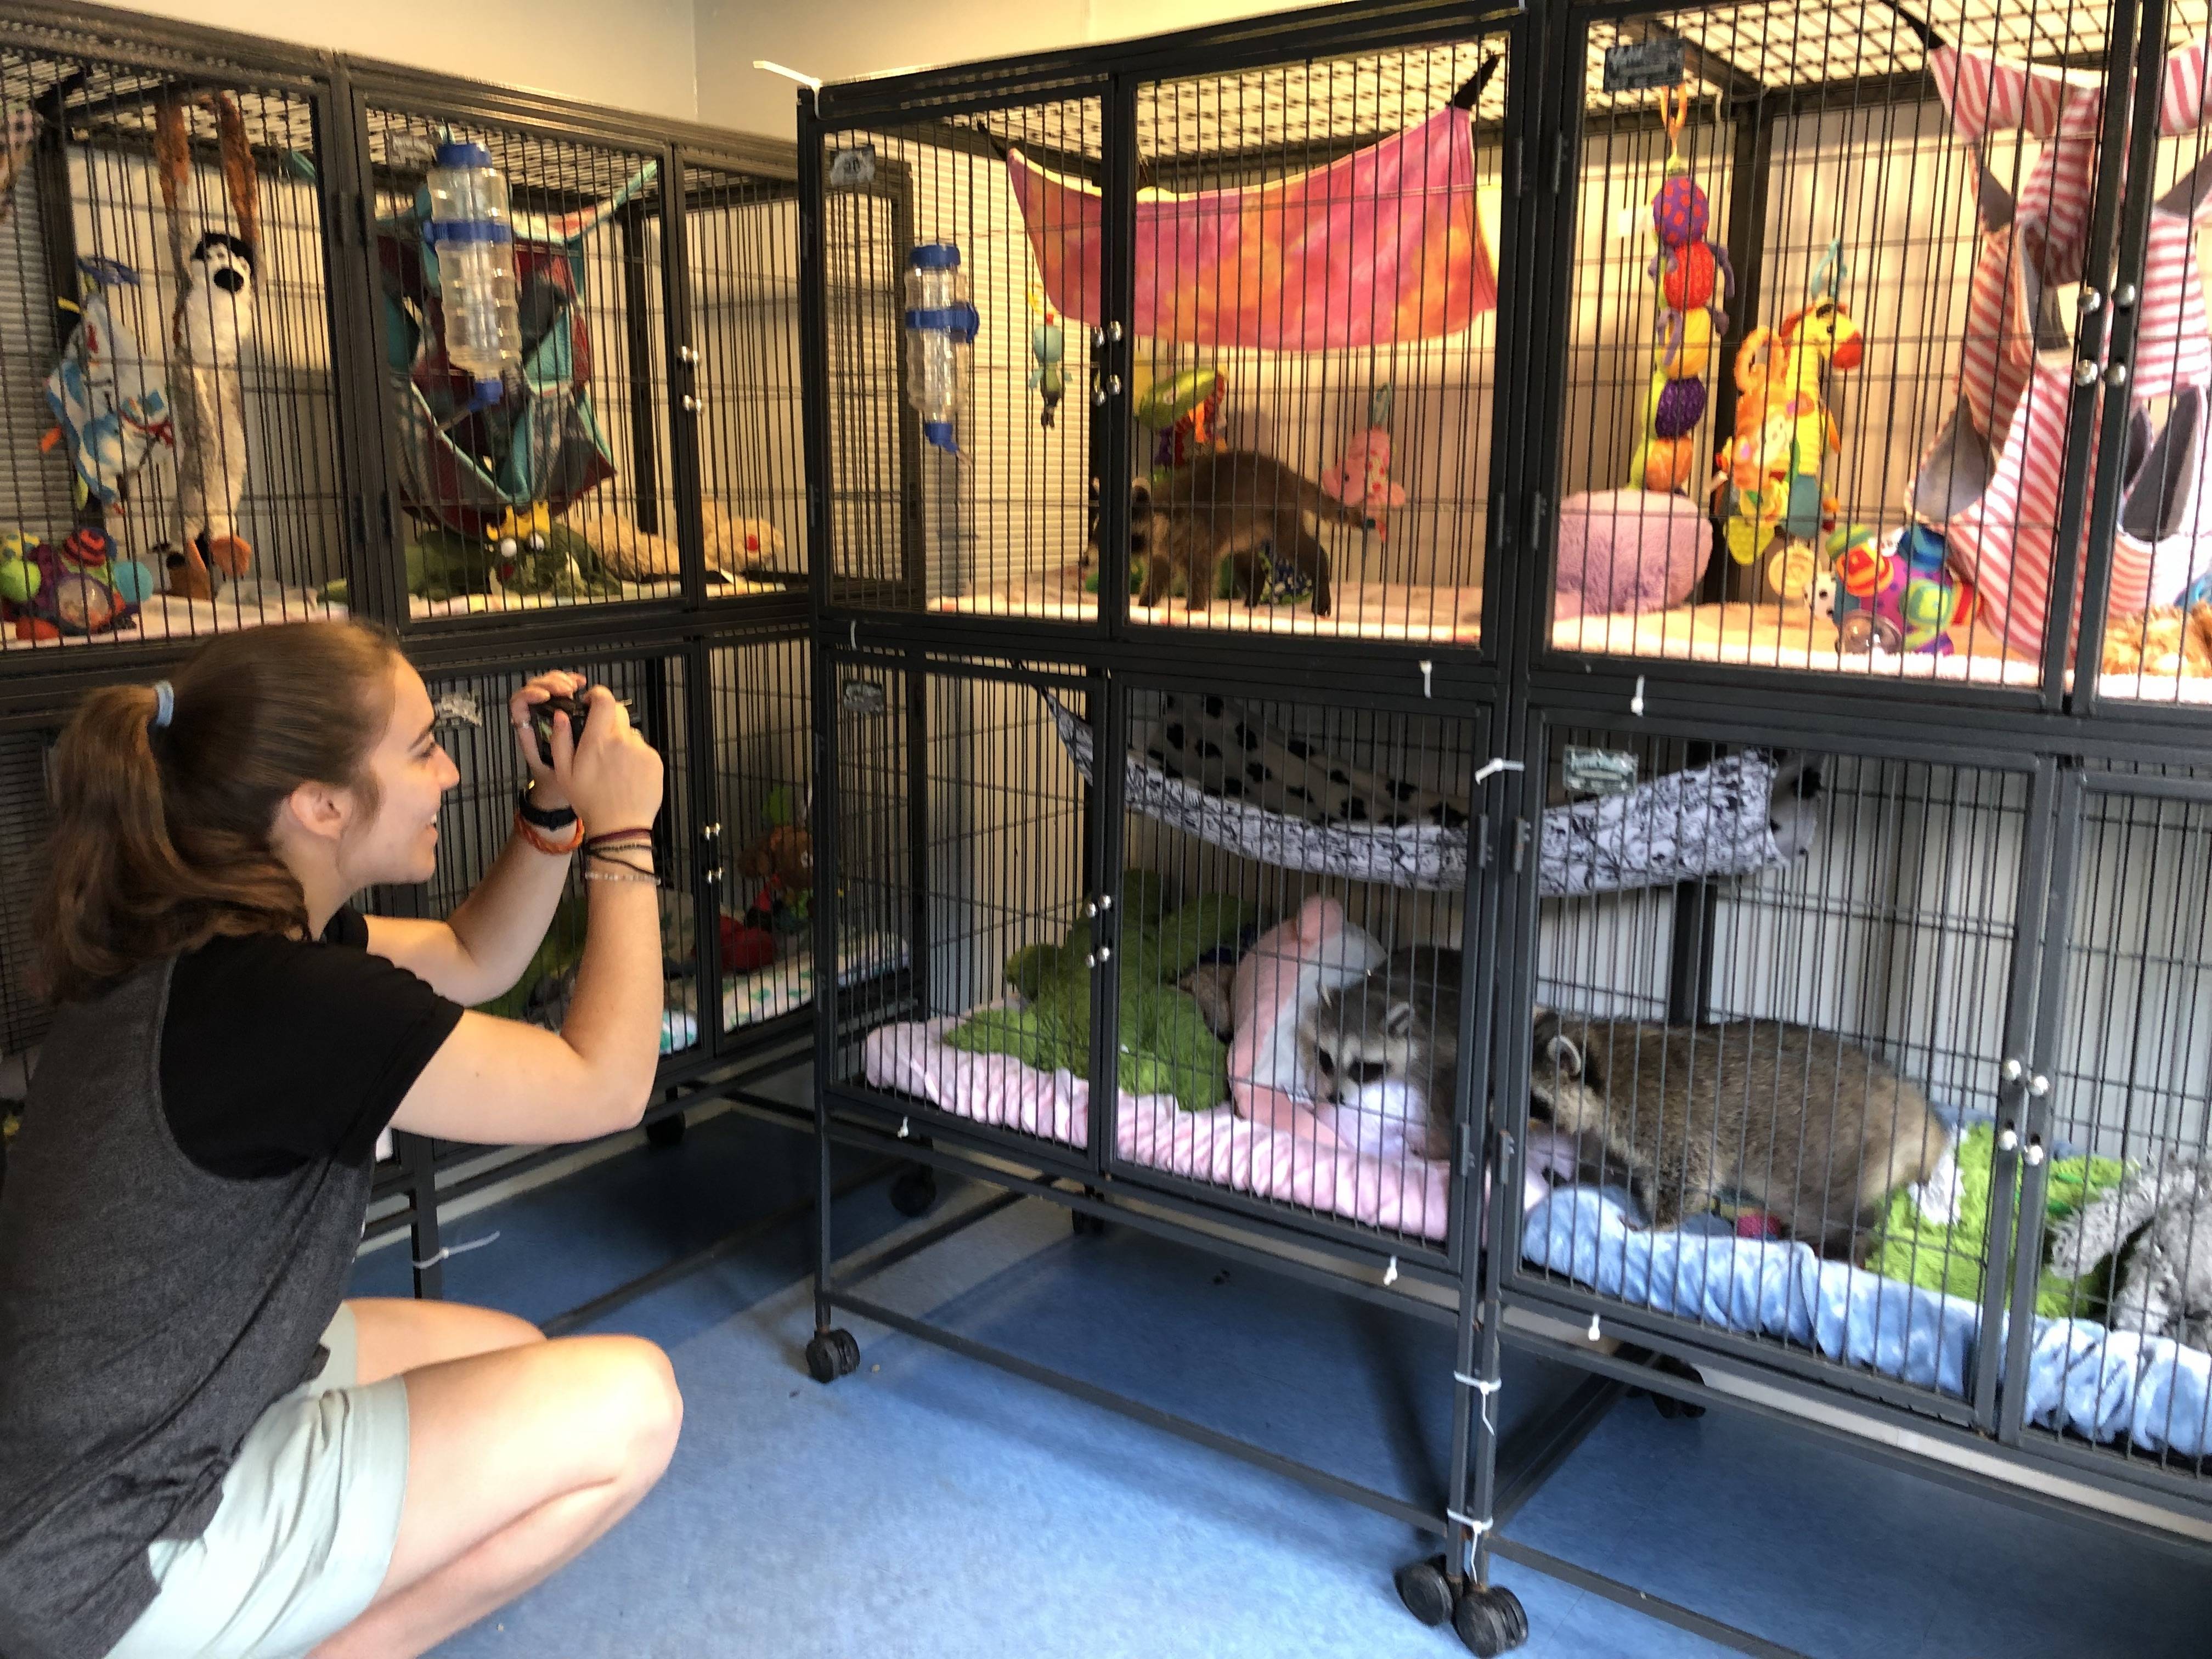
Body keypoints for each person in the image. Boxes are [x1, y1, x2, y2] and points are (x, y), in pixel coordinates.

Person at [0, 619, 683, 1659]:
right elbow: (608, 1086)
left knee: (512, 1355)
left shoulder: (222, 933)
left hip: (87, 1458)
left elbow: (471, 952)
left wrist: (556, 811)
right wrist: (628, 837)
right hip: (107, 1559)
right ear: (319, 805)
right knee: (635, 1405)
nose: (450, 771)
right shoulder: (289, 1004)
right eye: (421, 748)